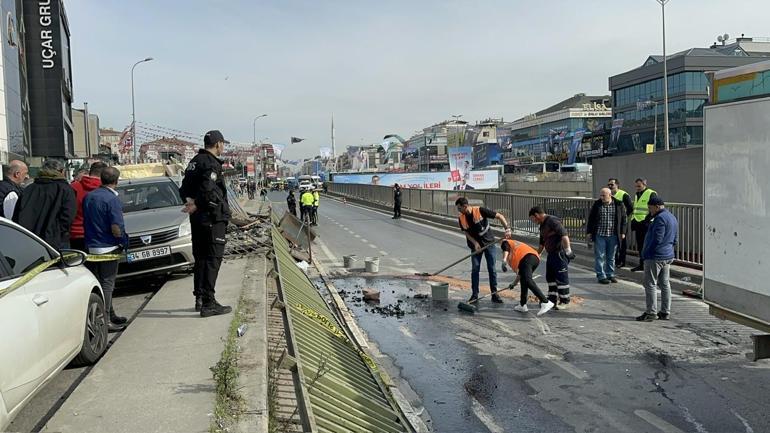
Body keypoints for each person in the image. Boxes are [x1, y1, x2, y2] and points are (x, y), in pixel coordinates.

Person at [179, 130, 233, 318]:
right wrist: (197, 204)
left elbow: (183, 188)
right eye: (223, 144)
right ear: (218, 144)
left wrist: (190, 202)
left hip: (198, 219)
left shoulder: (194, 161)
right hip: (211, 218)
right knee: (213, 258)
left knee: (201, 258)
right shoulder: (210, 163)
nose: (223, 147)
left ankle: (200, 298)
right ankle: (209, 302)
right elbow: (208, 190)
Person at [83, 167, 128, 331]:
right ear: (117, 181)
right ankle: (106, 320)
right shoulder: (112, 199)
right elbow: (116, 227)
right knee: (108, 284)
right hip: (108, 247)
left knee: (100, 284)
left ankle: (111, 314)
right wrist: (122, 241)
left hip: (91, 247)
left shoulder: (89, 196)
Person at [455, 197, 511, 303]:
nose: (459, 211)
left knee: (492, 269)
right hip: (475, 247)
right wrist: (475, 243)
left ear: (465, 206)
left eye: (459, 208)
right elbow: (466, 232)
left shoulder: (480, 210)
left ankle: (494, 294)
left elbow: (499, 216)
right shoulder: (461, 218)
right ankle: (474, 295)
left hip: (489, 243)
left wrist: (507, 229)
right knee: (475, 269)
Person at [13, 159, 76, 250]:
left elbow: (17, 214)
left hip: (30, 239)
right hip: (56, 241)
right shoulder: (65, 189)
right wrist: (58, 232)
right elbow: (68, 215)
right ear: (62, 171)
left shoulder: (29, 189)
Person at [636, 196, 678, 322]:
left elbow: (657, 239)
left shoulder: (659, 219)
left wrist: (646, 253)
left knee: (650, 284)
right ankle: (665, 311)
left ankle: (651, 312)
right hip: (668, 255)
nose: (650, 211)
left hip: (655, 256)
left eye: (650, 208)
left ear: (657, 206)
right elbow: (675, 239)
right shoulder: (672, 217)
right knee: (665, 284)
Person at [529, 206, 575, 308]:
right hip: (551, 254)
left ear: (536, 215)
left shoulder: (552, 221)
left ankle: (564, 301)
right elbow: (542, 244)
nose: (533, 221)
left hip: (559, 254)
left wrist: (568, 251)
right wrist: (537, 255)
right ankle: (552, 299)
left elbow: (564, 235)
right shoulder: (542, 226)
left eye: (532, 219)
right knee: (550, 277)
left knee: (561, 278)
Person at [500, 237, 554, 316]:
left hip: (528, 257)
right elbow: (520, 274)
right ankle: (522, 305)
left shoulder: (507, 243)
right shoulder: (512, 259)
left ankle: (545, 302)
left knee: (527, 280)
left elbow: (505, 246)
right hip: (533, 259)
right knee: (524, 280)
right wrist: (514, 283)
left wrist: (504, 260)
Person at [586, 187, 627, 284]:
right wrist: (589, 232)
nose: (602, 197)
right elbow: (591, 219)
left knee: (611, 256)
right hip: (600, 234)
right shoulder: (597, 204)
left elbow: (624, 219)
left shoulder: (619, 204)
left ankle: (610, 274)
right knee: (600, 256)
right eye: (601, 195)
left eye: (604, 195)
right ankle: (601, 275)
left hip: (613, 234)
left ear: (610, 195)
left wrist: (623, 232)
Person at [70, 161, 107, 251]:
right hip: (98, 235)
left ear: (90, 172)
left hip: (75, 234)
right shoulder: (106, 190)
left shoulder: (73, 187)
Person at [630, 178, 657, 272]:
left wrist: (647, 221)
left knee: (647, 245)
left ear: (644, 184)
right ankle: (641, 264)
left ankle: (647, 265)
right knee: (640, 245)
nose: (637, 188)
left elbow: (654, 209)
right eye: (636, 186)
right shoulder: (637, 194)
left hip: (646, 224)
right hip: (638, 223)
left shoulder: (651, 193)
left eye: (639, 186)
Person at [608, 178, 633, 268]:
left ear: (617, 185)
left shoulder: (623, 195)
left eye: (612, 185)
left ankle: (621, 261)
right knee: (613, 242)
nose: (610, 186)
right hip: (611, 223)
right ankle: (615, 260)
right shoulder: (609, 194)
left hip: (621, 224)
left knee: (621, 243)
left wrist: (624, 218)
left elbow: (630, 208)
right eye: (609, 185)